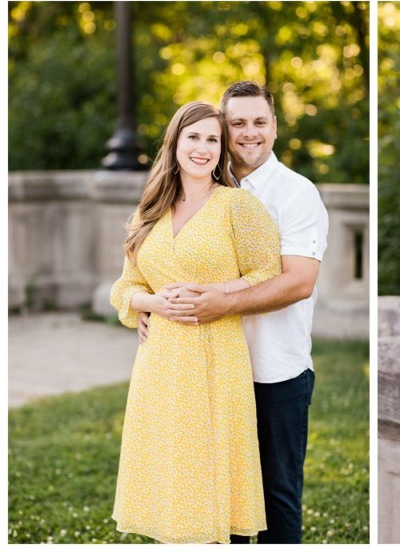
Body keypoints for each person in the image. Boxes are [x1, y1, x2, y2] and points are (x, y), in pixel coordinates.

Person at [143, 81, 330, 544]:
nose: (249, 133)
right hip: (208, 370)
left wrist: (222, 301)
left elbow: (299, 281)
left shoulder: (296, 193)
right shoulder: (207, 187)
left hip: (272, 370)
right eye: (237, 123)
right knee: (218, 499)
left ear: (275, 128)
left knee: (275, 497)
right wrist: (154, 306)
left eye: (259, 122)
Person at [109, 101, 279, 543]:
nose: (202, 148)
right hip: (159, 364)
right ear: (176, 142)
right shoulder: (150, 210)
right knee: (169, 476)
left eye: (212, 139)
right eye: (194, 137)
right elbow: (124, 287)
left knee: (208, 473)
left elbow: (268, 275)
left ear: (222, 150)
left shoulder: (238, 207)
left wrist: (220, 293)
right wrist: (152, 303)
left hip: (215, 360)